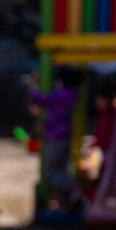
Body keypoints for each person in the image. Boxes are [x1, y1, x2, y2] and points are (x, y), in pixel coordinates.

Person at [29, 69, 84, 212]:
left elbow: (40, 99)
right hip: (66, 138)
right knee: (61, 168)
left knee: (50, 172)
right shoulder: (73, 95)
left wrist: (33, 84)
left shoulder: (60, 95)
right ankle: (66, 201)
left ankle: (72, 188)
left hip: (54, 138)